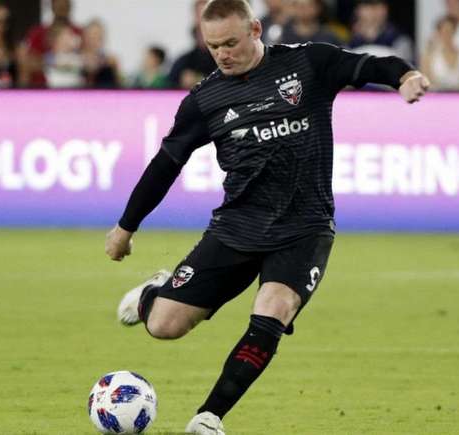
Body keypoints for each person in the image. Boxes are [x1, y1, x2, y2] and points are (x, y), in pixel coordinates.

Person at [104, 0, 429, 433]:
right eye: (214, 45)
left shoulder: (308, 63)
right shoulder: (205, 99)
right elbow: (165, 164)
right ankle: (153, 294)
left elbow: (371, 64)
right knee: (164, 326)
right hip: (237, 227)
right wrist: (126, 227)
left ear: (255, 29)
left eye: (231, 43)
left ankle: (208, 417)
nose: (223, 53)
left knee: (274, 308)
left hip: (304, 229)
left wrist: (404, 76)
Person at [21, 0, 83, 87]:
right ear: (52, 5)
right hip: (43, 89)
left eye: (65, 5)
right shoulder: (37, 32)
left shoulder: (79, 32)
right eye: (59, 5)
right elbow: (27, 62)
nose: (62, 8)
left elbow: (89, 60)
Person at [168, 0, 217, 89]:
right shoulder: (183, 62)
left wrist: (200, 79)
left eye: (207, 14)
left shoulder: (227, 58)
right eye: (199, 14)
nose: (203, 20)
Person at [421, 16, 459, 91]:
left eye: (451, 31)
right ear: (438, 33)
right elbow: (426, 85)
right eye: (444, 32)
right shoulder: (428, 58)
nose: (447, 35)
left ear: (455, 32)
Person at [348, 0, 412, 61]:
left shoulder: (400, 41)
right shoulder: (349, 41)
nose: (372, 13)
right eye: (367, 7)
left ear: (385, 9)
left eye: (375, 7)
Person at [81, 19, 122, 88]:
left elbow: (120, 85)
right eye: (92, 35)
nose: (95, 39)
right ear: (85, 36)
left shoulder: (110, 62)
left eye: (99, 36)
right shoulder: (74, 59)